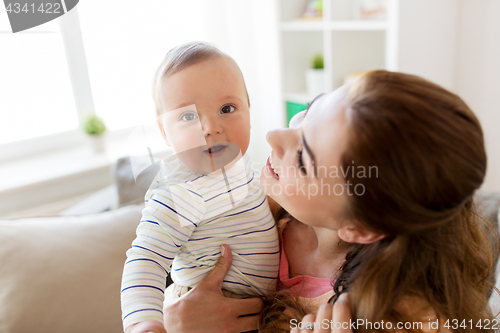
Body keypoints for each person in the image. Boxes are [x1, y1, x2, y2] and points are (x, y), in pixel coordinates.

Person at [160, 70, 497, 333]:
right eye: (310, 109)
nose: (273, 136)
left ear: (361, 228)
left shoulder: (399, 315)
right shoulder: (252, 209)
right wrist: (174, 322)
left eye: (305, 159)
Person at [120, 42, 280, 333]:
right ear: (164, 132)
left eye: (227, 108)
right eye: (189, 116)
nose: (210, 127)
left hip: (258, 313)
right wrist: (143, 323)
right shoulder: (180, 192)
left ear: (249, 113)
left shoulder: (245, 170)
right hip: (207, 312)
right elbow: (145, 259)